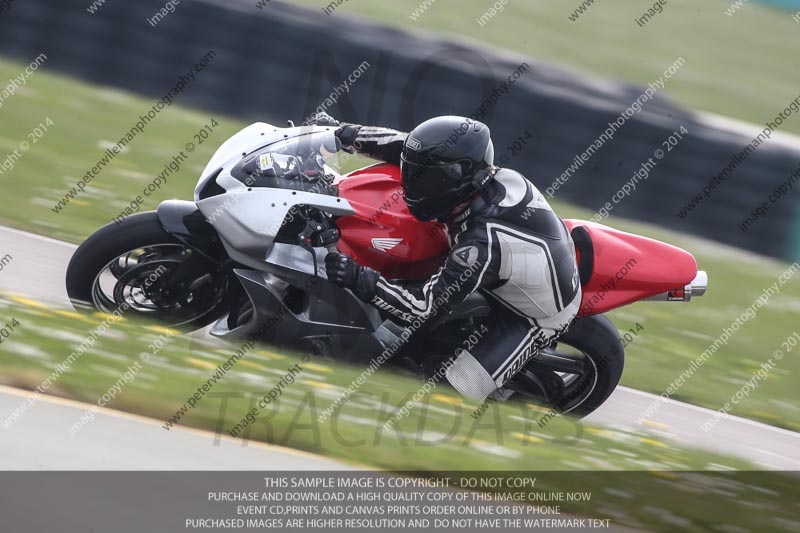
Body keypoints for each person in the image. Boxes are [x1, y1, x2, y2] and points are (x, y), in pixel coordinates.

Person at [315, 113, 581, 401]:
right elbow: (401, 146)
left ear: (456, 178)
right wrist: (340, 133)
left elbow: (423, 308)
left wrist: (358, 277)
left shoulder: (481, 241)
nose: (412, 184)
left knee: (442, 398)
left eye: (426, 179)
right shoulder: (473, 178)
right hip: (512, 266)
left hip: (531, 316)